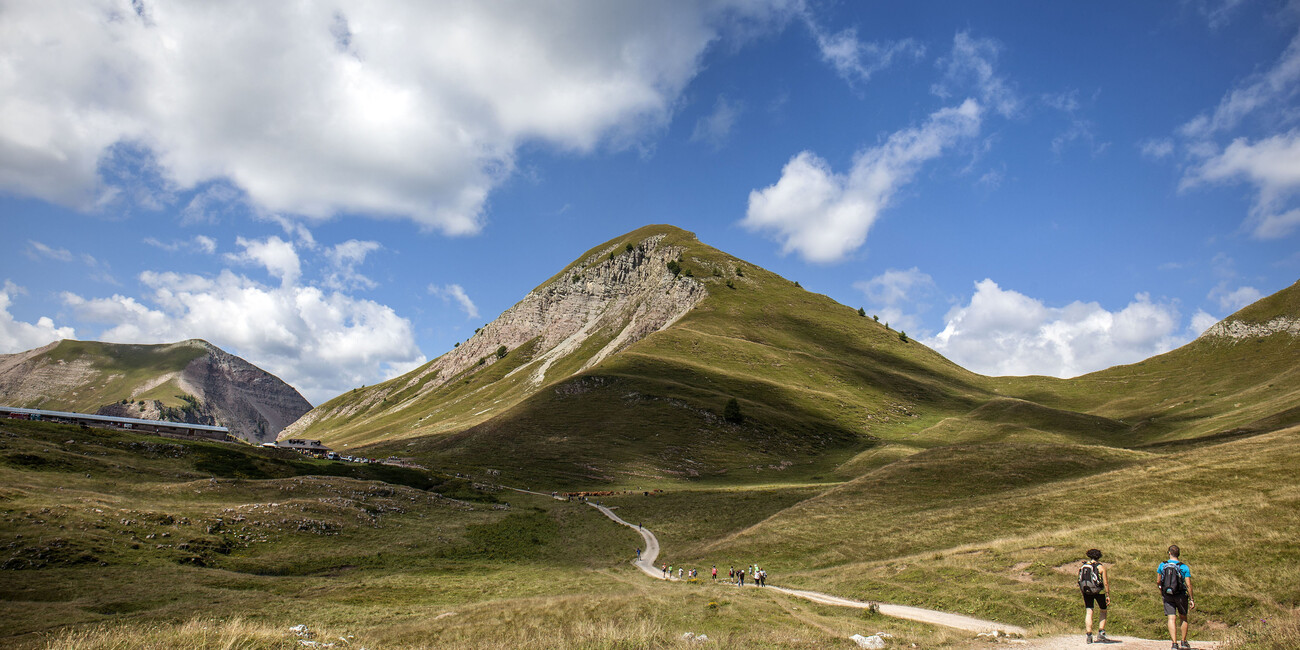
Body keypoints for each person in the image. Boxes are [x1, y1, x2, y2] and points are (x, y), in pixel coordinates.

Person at [1157, 545, 1194, 650]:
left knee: (1171, 618)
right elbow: (1188, 585)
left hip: (1167, 595)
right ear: (1179, 554)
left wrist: (1161, 591)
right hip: (1181, 594)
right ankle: (1183, 641)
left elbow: (1158, 581)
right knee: (1183, 617)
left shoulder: (1162, 565)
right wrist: (1191, 599)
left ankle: (1174, 643)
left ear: (1169, 553)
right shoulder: (1184, 567)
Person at [1078, 548, 1110, 644]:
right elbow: (1105, 583)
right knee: (1103, 610)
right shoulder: (1100, 567)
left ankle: (1089, 635)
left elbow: (1080, 580)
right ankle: (1101, 632)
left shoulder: (1084, 566)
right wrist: (1107, 594)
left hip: (1087, 591)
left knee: (1089, 611)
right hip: (1099, 591)